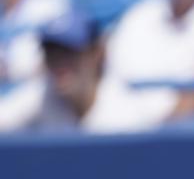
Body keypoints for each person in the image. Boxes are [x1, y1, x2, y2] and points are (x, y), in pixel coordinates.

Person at [0, 9, 158, 133]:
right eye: (51, 53)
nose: (59, 63)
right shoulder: (44, 92)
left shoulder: (127, 116)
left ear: (96, 54)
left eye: (68, 53)